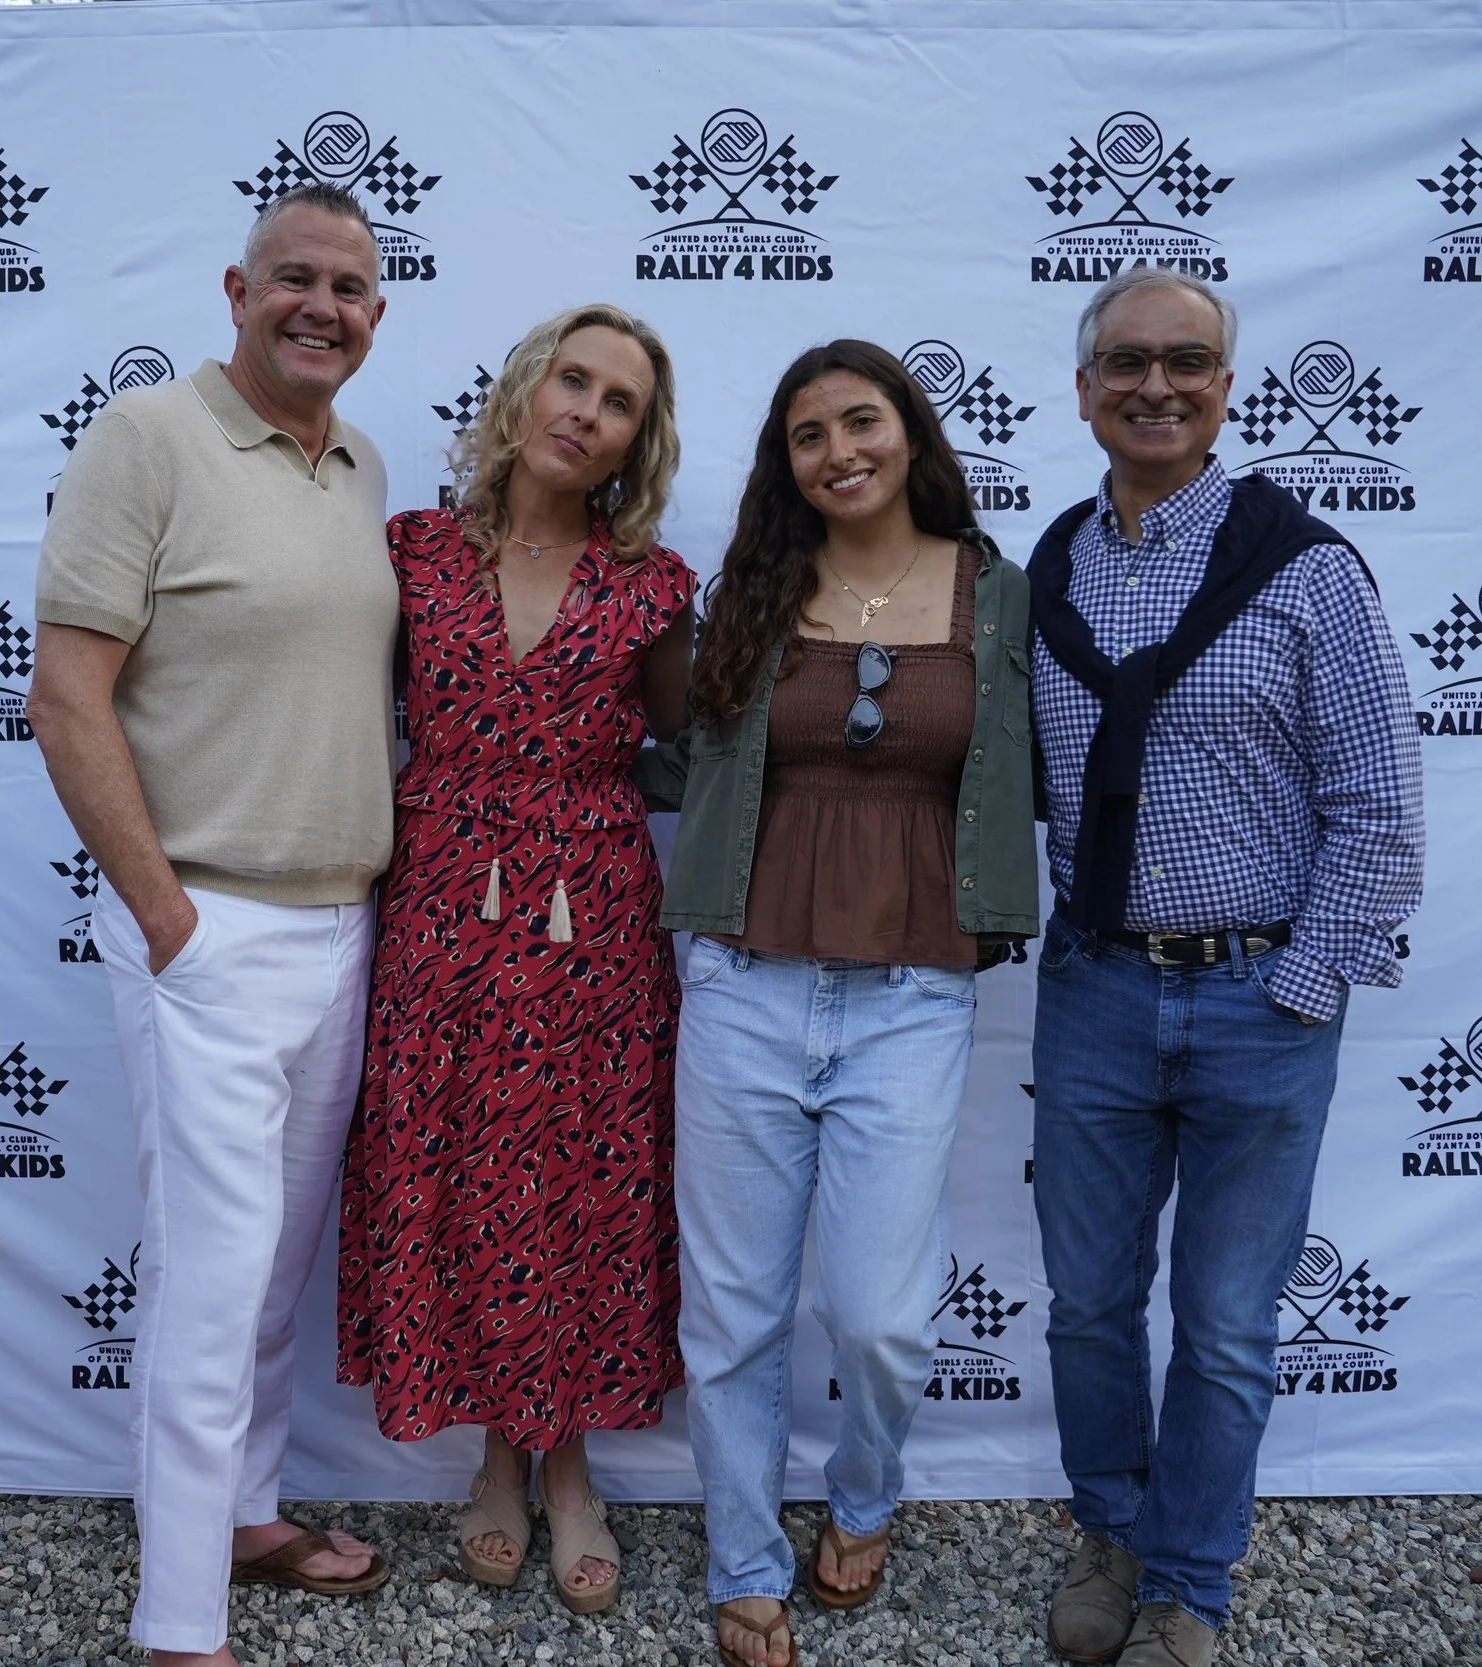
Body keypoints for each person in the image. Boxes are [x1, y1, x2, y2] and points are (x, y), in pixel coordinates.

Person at [1027, 269, 1424, 1667]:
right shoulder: (1051, 569)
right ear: (1082, 390)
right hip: (1095, 988)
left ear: (1225, 389)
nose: (1154, 385)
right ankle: (1112, 1531)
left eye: (1185, 362)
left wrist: (1301, 985)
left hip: (1261, 996)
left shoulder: (1308, 568)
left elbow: (1379, 807)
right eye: (1125, 362)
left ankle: (1189, 1584)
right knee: (1085, 1302)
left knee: (1227, 1324)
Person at [26, 182, 398, 1667]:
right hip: (208, 931)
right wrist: (169, 918)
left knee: (272, 1268)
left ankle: (244, 1512)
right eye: (293, 278)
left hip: (338, 926)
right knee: (207, 1281)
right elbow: (66, 696)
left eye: (350, 288)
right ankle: (180, 1623)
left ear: (379, 314)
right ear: (233, 290)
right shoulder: (146, 439)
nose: (322, 305)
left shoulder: (357, 463)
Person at [638, 339, 1039, 1667]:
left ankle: (867, 1490)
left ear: (910, 432)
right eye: (807, 434)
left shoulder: (996, 592)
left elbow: (1039, 762)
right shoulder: (753, 587)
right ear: (787, 464)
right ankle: (745, 1554)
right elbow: (670, 745)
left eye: (860, 420)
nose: (838, 450)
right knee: (735, 1309)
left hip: (914, 993)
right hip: (746, 981)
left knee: (880, 1313)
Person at [337, 303, 694, 1616]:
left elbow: (682, 757)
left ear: (633, 442)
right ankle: (495, 1450)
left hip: (592, 922)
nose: (587, 410)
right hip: (438, 912)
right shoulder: (411, 556)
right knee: (467, 1166)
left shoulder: (657, 588)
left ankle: (574, 1467)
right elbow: (333, 705)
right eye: (574, 379)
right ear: (526, 387)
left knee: (582, 1181)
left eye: (620, 401)